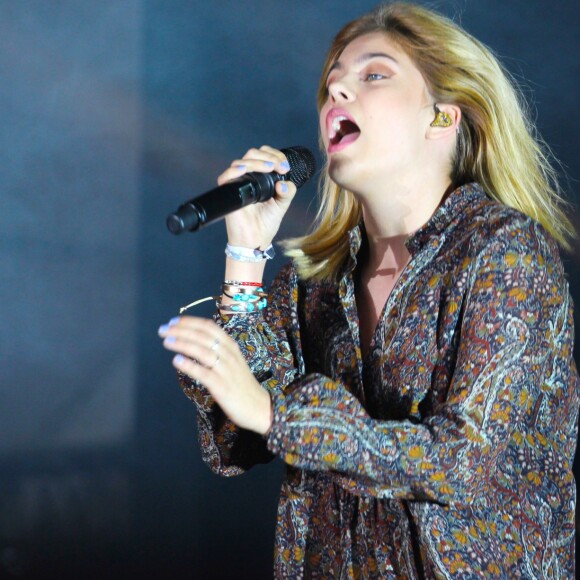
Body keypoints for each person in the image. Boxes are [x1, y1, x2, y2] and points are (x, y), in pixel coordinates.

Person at [158, 2, 579, 577]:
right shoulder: (319, 283)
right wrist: (245, 254)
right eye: (331, 86)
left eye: (373, 75)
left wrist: (276, 413)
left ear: (443, 117)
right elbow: (234, 444)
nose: (338, 94)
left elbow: (466, 462)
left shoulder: (504, 252)